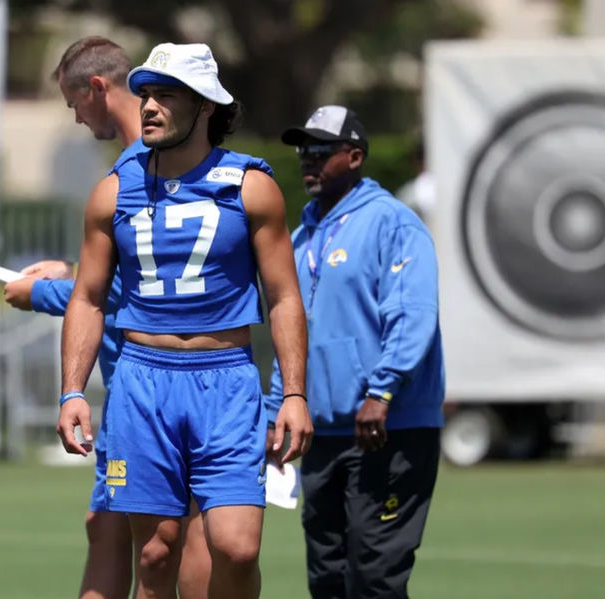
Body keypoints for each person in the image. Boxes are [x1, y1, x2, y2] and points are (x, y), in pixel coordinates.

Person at [58, 42, 312, 599]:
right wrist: (72, 391)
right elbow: (88, 299)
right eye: (145, 93)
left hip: (226, 384)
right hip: (141, 385)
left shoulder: (251, 187)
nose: (148, 106)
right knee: (153, 554)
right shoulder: (111, 192)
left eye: (166, 95)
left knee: (237, 547)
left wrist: (293, 394)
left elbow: (285, 297)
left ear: (205, 107)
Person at [2, 36, 210, 599]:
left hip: (153, 388)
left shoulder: (145, 162)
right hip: (135, 387)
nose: (75, 118)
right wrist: (66, 270)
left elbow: (123, 294)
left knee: (166, 542)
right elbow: (132, 271)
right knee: (116, 531)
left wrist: (43, 294)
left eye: (75, 104)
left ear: (98, 89)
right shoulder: (136, 164)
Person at [267, 105, 445, 599]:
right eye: (304, 150)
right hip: (322, 434)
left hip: (388, 428)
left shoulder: (392, 222)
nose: (309, 161)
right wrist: (277, 407)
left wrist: (382, 390)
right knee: (327, 578)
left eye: (322, 151)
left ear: (355, 157)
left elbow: (412, 313)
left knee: (374, 576)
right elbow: (291, 332)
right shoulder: (301, 237)